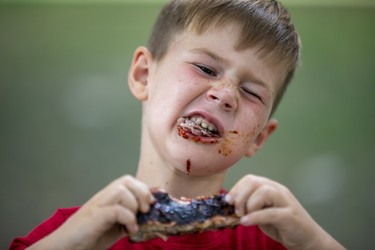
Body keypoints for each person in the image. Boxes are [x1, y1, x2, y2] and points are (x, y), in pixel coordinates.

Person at [10, 0, 345, 249]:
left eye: (250, 91)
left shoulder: (275, 237)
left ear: (258, 138)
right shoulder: (73, 233)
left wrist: (313, 242)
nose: (226, 95)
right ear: (144, 75)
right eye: (206, 68)